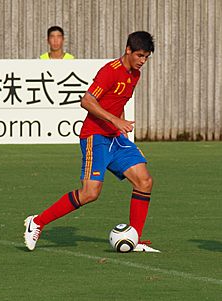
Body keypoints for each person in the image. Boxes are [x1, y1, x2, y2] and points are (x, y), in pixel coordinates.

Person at [25, 31, 160, 253]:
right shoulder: (110, 72)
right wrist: (116, 121)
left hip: (115, 138)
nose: (143, 61)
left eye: (146, 57)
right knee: (90, 193)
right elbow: (87, 101)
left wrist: (120, 125)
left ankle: (135, 238)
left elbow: (118, 101)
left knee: (144, 181)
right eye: (140, 55)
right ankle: (37, 222)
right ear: (128, 50)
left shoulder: (135, 74)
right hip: (94, 137)